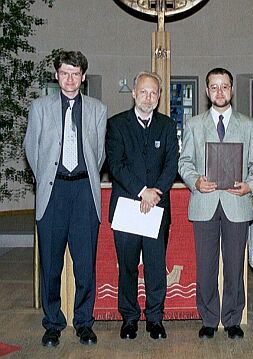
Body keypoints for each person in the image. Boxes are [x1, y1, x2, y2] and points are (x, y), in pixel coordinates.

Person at [24, 50, 107, 347]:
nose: (70, 79)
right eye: (64, 73)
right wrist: (49, 176)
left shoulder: (97, 109)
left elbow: (99, 155)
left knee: (86, 263)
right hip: (53, 192)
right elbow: (32, 149)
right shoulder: (40, 108)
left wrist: (82, 177)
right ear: (56, 75)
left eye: (75, 74)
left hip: (84, 191)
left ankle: (84, 322)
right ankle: (53, 323)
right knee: (51, 262)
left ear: (83, 77)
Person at [178, 68, 253, 340]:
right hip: (204, 202)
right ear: (206, 91)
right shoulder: (193, 124)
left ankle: (232, 319)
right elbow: (184, 162)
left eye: (224, 86)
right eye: (214, 87)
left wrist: (250, 184)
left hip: (237, 203)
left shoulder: (248, 124)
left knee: (234, 265)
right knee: (205, 265)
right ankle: (207, 318)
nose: (219, 92)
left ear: (231, 90)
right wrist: (195, 181)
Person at [106, 72, 178, 341]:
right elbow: (116, 165)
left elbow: (172, 165)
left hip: (157, 207)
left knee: (156, 266)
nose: (148, 97)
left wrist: (154, 193)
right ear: (134, 93)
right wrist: (142, 191)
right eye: (143, 92)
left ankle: (155, 319)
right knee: (127, 266)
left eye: (153, 93)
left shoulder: (168, 126)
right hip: (127, 207)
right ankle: (129, 319)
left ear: (159, 97)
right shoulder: (116, 125)